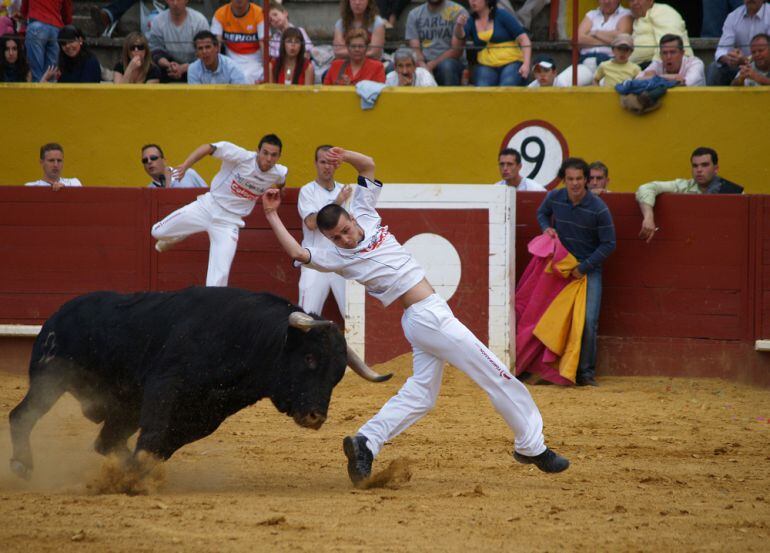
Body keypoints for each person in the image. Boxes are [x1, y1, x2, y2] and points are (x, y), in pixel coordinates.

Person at [262, 146, 570, 485]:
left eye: (345, 231)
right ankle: (531, 445)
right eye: (336, 238)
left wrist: (343, 155)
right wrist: (272, 214)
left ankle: (366, 441)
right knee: (495, 373)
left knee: (421, 394)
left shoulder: (363, 210)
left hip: (423, 318)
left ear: (351, 218)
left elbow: (369, 164)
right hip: (427, 317)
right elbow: (295, 251)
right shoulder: (336, 257)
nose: (345, 240)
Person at [151, 135, 287, 287]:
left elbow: (281, 180)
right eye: (265, 153)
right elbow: (209, 147)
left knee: (218, 282)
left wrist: (280, 190)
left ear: (278, 157)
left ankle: (210, 310)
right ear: (257, 151)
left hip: (229, 223)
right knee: (157, 232)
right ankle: (180, 234)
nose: (268, 159)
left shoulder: (278, 172)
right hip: (208, 206)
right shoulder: (241, 156)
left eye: (273, 155)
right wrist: (186, 165)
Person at [536, 158, 616, 386]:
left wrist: (584, 267)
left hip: (588, 270)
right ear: (564, 180)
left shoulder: (598, 208)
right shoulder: (555, 197)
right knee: (555, 319)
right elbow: (542, 214)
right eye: (570, 179)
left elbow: (609, 244)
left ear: (586, 180)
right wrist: (546, 228)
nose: (574, 184)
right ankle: (551, 370)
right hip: (561, 268)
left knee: (588, 321)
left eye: (579, 179)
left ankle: (586, 373)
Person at [636, 147, 744, 242]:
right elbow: (646, 188)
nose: (699, 170)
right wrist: (648, 217)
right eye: (695, 166)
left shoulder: (733, 191)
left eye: (705, 165)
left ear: (716, 169)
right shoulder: (683, 186)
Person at [297, 145, 350, 317]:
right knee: (305, 318)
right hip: (315, 261)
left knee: (352, 314)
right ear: (316, 163)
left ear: (337, 165)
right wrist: (337, 202)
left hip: (341, 260)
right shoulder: (307, 191)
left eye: (331, 162)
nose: (327, 166)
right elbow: (312, 223)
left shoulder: (345, 190)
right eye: (323, 162)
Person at [452, 0, 532, 87]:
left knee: (507, 84)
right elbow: (460, 35)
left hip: (512, 62)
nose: (473, 1)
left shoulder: (502, 14)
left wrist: (526, 64)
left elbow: (524, 39)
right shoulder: (471, 20)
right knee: (483, 87)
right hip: (486, 64)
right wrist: (459, 25)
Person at [706, 0, 769, 86]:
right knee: (714, 68)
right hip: (740, 66)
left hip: (765, 65)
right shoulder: (733, 16)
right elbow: (721, 50)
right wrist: (729, 58)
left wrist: (747, 60)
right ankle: (712, 99)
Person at [405, 0, 467, 86]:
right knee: (398, 66)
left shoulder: (458, 11)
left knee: (447, 67)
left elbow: (456, 51)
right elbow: (415, 49)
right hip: (424, 62)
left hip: (451, 62)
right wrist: (422, 65)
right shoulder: (414, 14)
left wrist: (431, 65)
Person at [148, 0, 209, 84]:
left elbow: (205, 52)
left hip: (196, 68)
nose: (175, 3)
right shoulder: (158, 21)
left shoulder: (199, 21)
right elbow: (155, 49)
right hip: (167, 69)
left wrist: (184, 68)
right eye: (172, 0)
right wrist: (169, 65)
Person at [211, 0, 265, 83]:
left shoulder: (259, 13)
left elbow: (264, 45)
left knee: (245, 77)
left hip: (255, 60)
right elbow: (215, 46)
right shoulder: (220, 14)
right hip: (230, 60)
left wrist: (266, 69)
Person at [628, 0, 693, 66]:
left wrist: (654, 68)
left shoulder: (661, 11)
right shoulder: (636, 19)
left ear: (650, 1)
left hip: (662, 65)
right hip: (636, 67)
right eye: (631, 0)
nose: (635, 2)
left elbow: (670, 43)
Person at [21, 0, 72, 81]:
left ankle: (37, 92)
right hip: (56, 27)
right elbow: (67, 11)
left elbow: (24, 8)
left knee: (36, 72)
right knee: (51, 73)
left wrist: (24, 16)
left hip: (36, 23)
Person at [636, 33, 704, 86]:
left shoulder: (695, 63)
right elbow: (637, 80)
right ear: (660, 55)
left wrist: (654, 78)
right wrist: (674, 77)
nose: (668, 57)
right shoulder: (657, 64)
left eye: (673, 52)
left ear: (682, 53)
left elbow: (687, 83)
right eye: (665, 53)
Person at [141, 144, 207, 188]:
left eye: (153, 158)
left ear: (164, 161)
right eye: (145, 160)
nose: (149, 162)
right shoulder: (149, 190)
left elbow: (208, 196)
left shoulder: (187, 174)